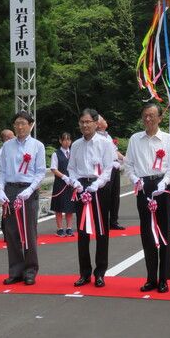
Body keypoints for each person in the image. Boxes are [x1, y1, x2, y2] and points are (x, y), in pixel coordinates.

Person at [124, 102, 170, 293]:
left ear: (159, 118)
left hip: (164, 186)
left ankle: (164, 277)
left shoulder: (168, 139)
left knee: (164, 232)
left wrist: (164, 182)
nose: (148, 119)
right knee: (147, 232)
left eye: (151, 116)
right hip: (144, 186)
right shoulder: (135, 139)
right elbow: (128, 165)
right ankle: (151, 277)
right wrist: (134, 179)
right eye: (145, 116)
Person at [0, 111, 46, 286]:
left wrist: (30, 189)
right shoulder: (7, 147)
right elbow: (2, 171)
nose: (20, 127)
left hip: (28, 190)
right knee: (11, 232)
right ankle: (15, 270)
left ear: (31, 125)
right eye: (17, 123)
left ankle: (30, 270)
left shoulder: (37, 146)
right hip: (10, 188)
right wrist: (0, 189)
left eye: (23, 123)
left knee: (29, 232)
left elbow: (40, 172)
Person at [67, 109, 115, 288]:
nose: (84, 125)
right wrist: (75, 183)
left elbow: (108, 169)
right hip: (81, 188)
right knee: (82, 232)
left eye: (88, 122)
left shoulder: (105, 144)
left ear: (96, 123)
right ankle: (84, 273)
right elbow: (71, 167)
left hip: (99, 188)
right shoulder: (76, 145)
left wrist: (97, 184)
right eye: (81, 122)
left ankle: (100, 272)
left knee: (102, 230)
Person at [97, 115, 125, 230]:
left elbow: (115, 151)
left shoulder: (107, 136)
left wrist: (126, 160)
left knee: (115, 195)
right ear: (98, 124)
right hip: (106, 168)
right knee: (105, 195)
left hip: (115, 167)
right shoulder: (97, 138)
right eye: (103, 120)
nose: (105, 120)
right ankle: (103, 221)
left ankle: (114, 221)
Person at [49, 132, 75, 237]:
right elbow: (53, 169)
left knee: (70, 206)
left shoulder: (73, 153)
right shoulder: (56, 154)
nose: (67, 142)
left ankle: (69, 228)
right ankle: (59, 228)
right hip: (60, 183)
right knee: (59, 206)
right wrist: (64, 177)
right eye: (65, 140)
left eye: (69, 140)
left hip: (71, 183)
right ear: (60, 141)